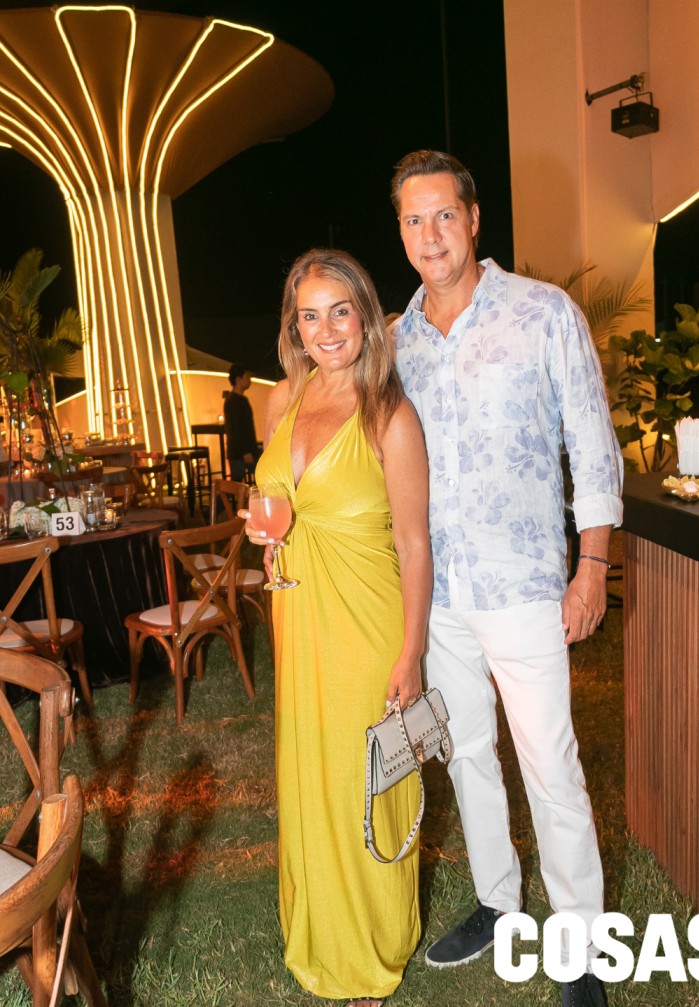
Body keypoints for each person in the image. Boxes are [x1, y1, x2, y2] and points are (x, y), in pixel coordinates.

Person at [390, 150, 623, 1007]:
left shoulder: (543, 312)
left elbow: (591, 444)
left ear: (474, 218)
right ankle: (498, 901)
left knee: (550, 767)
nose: (431, 235)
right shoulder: (396, 342)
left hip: (526, 584)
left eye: (444, 215)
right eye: (414, 220)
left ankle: (580, 946)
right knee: (466, 755)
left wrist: (591, 565)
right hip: (441, 595)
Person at [248, 248, 432, 1007]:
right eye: (309, 316)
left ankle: (371, 950)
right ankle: (320, 931)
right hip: (298, 615)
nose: (325, 330)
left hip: (366, 621)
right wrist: (266, 538)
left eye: (340, 311)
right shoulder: (281, 400)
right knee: (310, 776)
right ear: (293, 326)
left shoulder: (390, 414)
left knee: (366, 779)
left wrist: (411, 653)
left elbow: (415, 544)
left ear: (366, 316)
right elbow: (273, 500)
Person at [224, 363, 258, 481]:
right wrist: (246, 452)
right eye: (247, 377)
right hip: (239, 454)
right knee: (238, 484)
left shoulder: (240, 400)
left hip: (242, 452)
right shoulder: (233, 401)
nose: (249, 380)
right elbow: (235, 429)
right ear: (239, 379)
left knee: (239, 484)